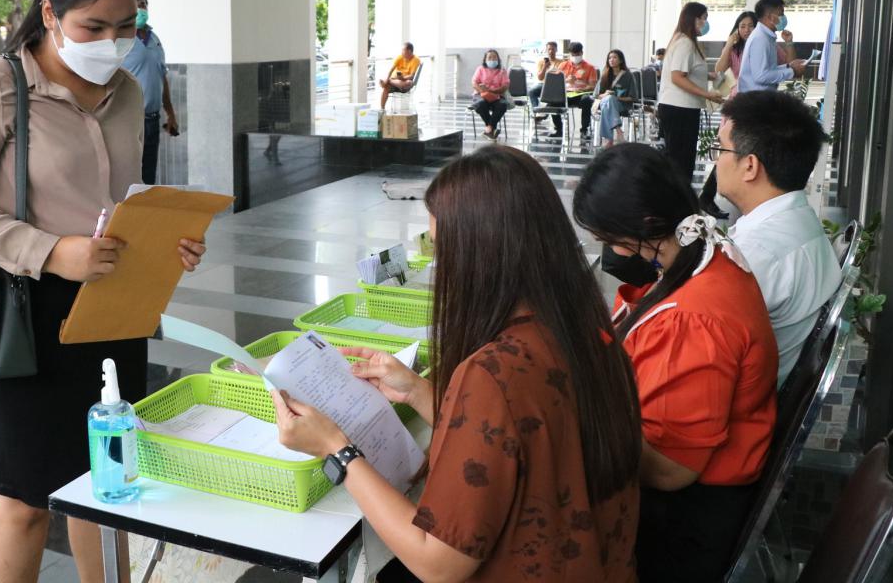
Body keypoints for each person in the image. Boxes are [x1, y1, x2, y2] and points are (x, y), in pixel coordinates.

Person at [0, 0, 207, 583]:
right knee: (25, 496)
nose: (113, 41)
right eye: (94, 26)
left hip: (113, 304)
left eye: (127, 26)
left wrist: (166, 238)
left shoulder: (127, 92)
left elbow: (122, 199)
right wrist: (50, 251)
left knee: (108, 481)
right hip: (27, 311)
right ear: (49, 13)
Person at [273, 145, 642, 583]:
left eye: (442, 249)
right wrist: (417, 392)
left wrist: (337, 450)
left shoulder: (493, 372)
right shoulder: (591, 331)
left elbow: (438, 563)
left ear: (480, 256)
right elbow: (526, 443)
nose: (439, 266)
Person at [573, 143, 777, 582]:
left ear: (647, 225)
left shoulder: (692, 320)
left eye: (612, 239)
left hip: (681, 527)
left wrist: (580, 426)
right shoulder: (708, 251)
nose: (612, 250)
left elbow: (670, 471)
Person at [715, 90, 842, 385]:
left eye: (720, 150)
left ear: (750, 166)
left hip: (735, 399)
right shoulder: (796, 222)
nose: (716, 162)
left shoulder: (757, 252)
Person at [699, 10, 758, 218]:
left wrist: (789, 43)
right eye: (742, 26)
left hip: (755, 104)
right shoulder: (736, 49)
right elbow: (720, 69)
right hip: (737, 104)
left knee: (746, 151)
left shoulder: (763, 46)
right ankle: (709, 196)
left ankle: (714, 196)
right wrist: (728, 45)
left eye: (750, 26)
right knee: (730, 149)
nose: (746, 30)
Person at [658, 2, 723, 182]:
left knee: (681, 158)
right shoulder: (685, 43)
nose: (705, 23)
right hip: (679, 108)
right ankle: (678, 196)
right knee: (681, 161)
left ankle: (677, 194)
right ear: (692, 19)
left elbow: (687, 71)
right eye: (703, 18)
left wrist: (708, 76)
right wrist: (707, 94)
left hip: (681, 108)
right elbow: (677, 77)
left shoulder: (685, 41)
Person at [122, 0, 179, 184]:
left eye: (144, 5)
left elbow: (161, 76)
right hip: (130, 121)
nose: (141, 9)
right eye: (137, 5)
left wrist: (170, 114)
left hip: (152, 120)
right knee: (130, 178)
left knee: (148, 178)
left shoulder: (155, 39)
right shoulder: (121, 40)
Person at [738, 0, 807, 93]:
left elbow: (769, 70)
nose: (784, 17)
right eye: (781, 14)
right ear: (771, 17)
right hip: (755, 98)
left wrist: (789, 66)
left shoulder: (766, 36)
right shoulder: (760, 39)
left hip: (760, 96)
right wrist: (792, 71)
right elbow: (761, 76)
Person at [551, 43, 598, 138]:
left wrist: (580, 85)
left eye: (577, 54)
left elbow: (593, 86)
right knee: (552, 101)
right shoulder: (563, 65)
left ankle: (584, 130)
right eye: (573, 54)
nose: (575, 57)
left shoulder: (590, 68)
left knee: (587, 100)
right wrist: (566, 80)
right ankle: (559, 129)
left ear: (582, 53)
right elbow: (556, 83)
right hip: (566, 93)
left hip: (580, 94)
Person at [593, 49, 637, 148]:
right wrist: (605, 94)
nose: (611, 60)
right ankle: (618, 130)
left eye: (614, 57)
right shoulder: (605, 74)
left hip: (622, 105)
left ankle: (608, 139)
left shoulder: (628, 76)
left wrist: (617, 98)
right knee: (608, 100)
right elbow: (596, 95)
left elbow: (633, 97)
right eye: (609, 58)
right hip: (604, 102)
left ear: (621, 60)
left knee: (609, 103)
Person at [470, 49, 509, 140]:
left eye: (494, 57)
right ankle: (491, 128)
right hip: (481, 94)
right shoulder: (480, 69)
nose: (492, 59)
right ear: (485, 59)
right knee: (480, 104)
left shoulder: (502, 71)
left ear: (498, 59)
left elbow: (505, 86)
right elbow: (474, 83)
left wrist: (492, 91)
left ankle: (489, 129)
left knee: (502, 105)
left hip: (496, 95)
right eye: (489, 58)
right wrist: (483, 91)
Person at [380, 42, 420, 109]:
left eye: (403, 50)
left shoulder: (416, 60)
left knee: (408, 82)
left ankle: (387, 81)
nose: (402, 52)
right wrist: (388, 78)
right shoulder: (400, 57)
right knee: (386, 88)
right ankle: (382, 109)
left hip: (404, 83)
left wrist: (403, 78)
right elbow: (391, 70)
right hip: (395, 81)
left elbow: (412, 76)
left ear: (409, 51)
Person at [529, 40, 563, 111]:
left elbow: (562, 76)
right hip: (543, 85)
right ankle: (537, 110)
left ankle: (547, 111)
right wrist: (545, 66)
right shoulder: (542, 62)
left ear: (556, 50)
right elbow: (540, 78)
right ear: (546, 50)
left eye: (553, 49)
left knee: (554, 100)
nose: (551, 51)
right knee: (531, 91)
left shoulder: (561, 62)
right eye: (549, 49)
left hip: (556, 86)